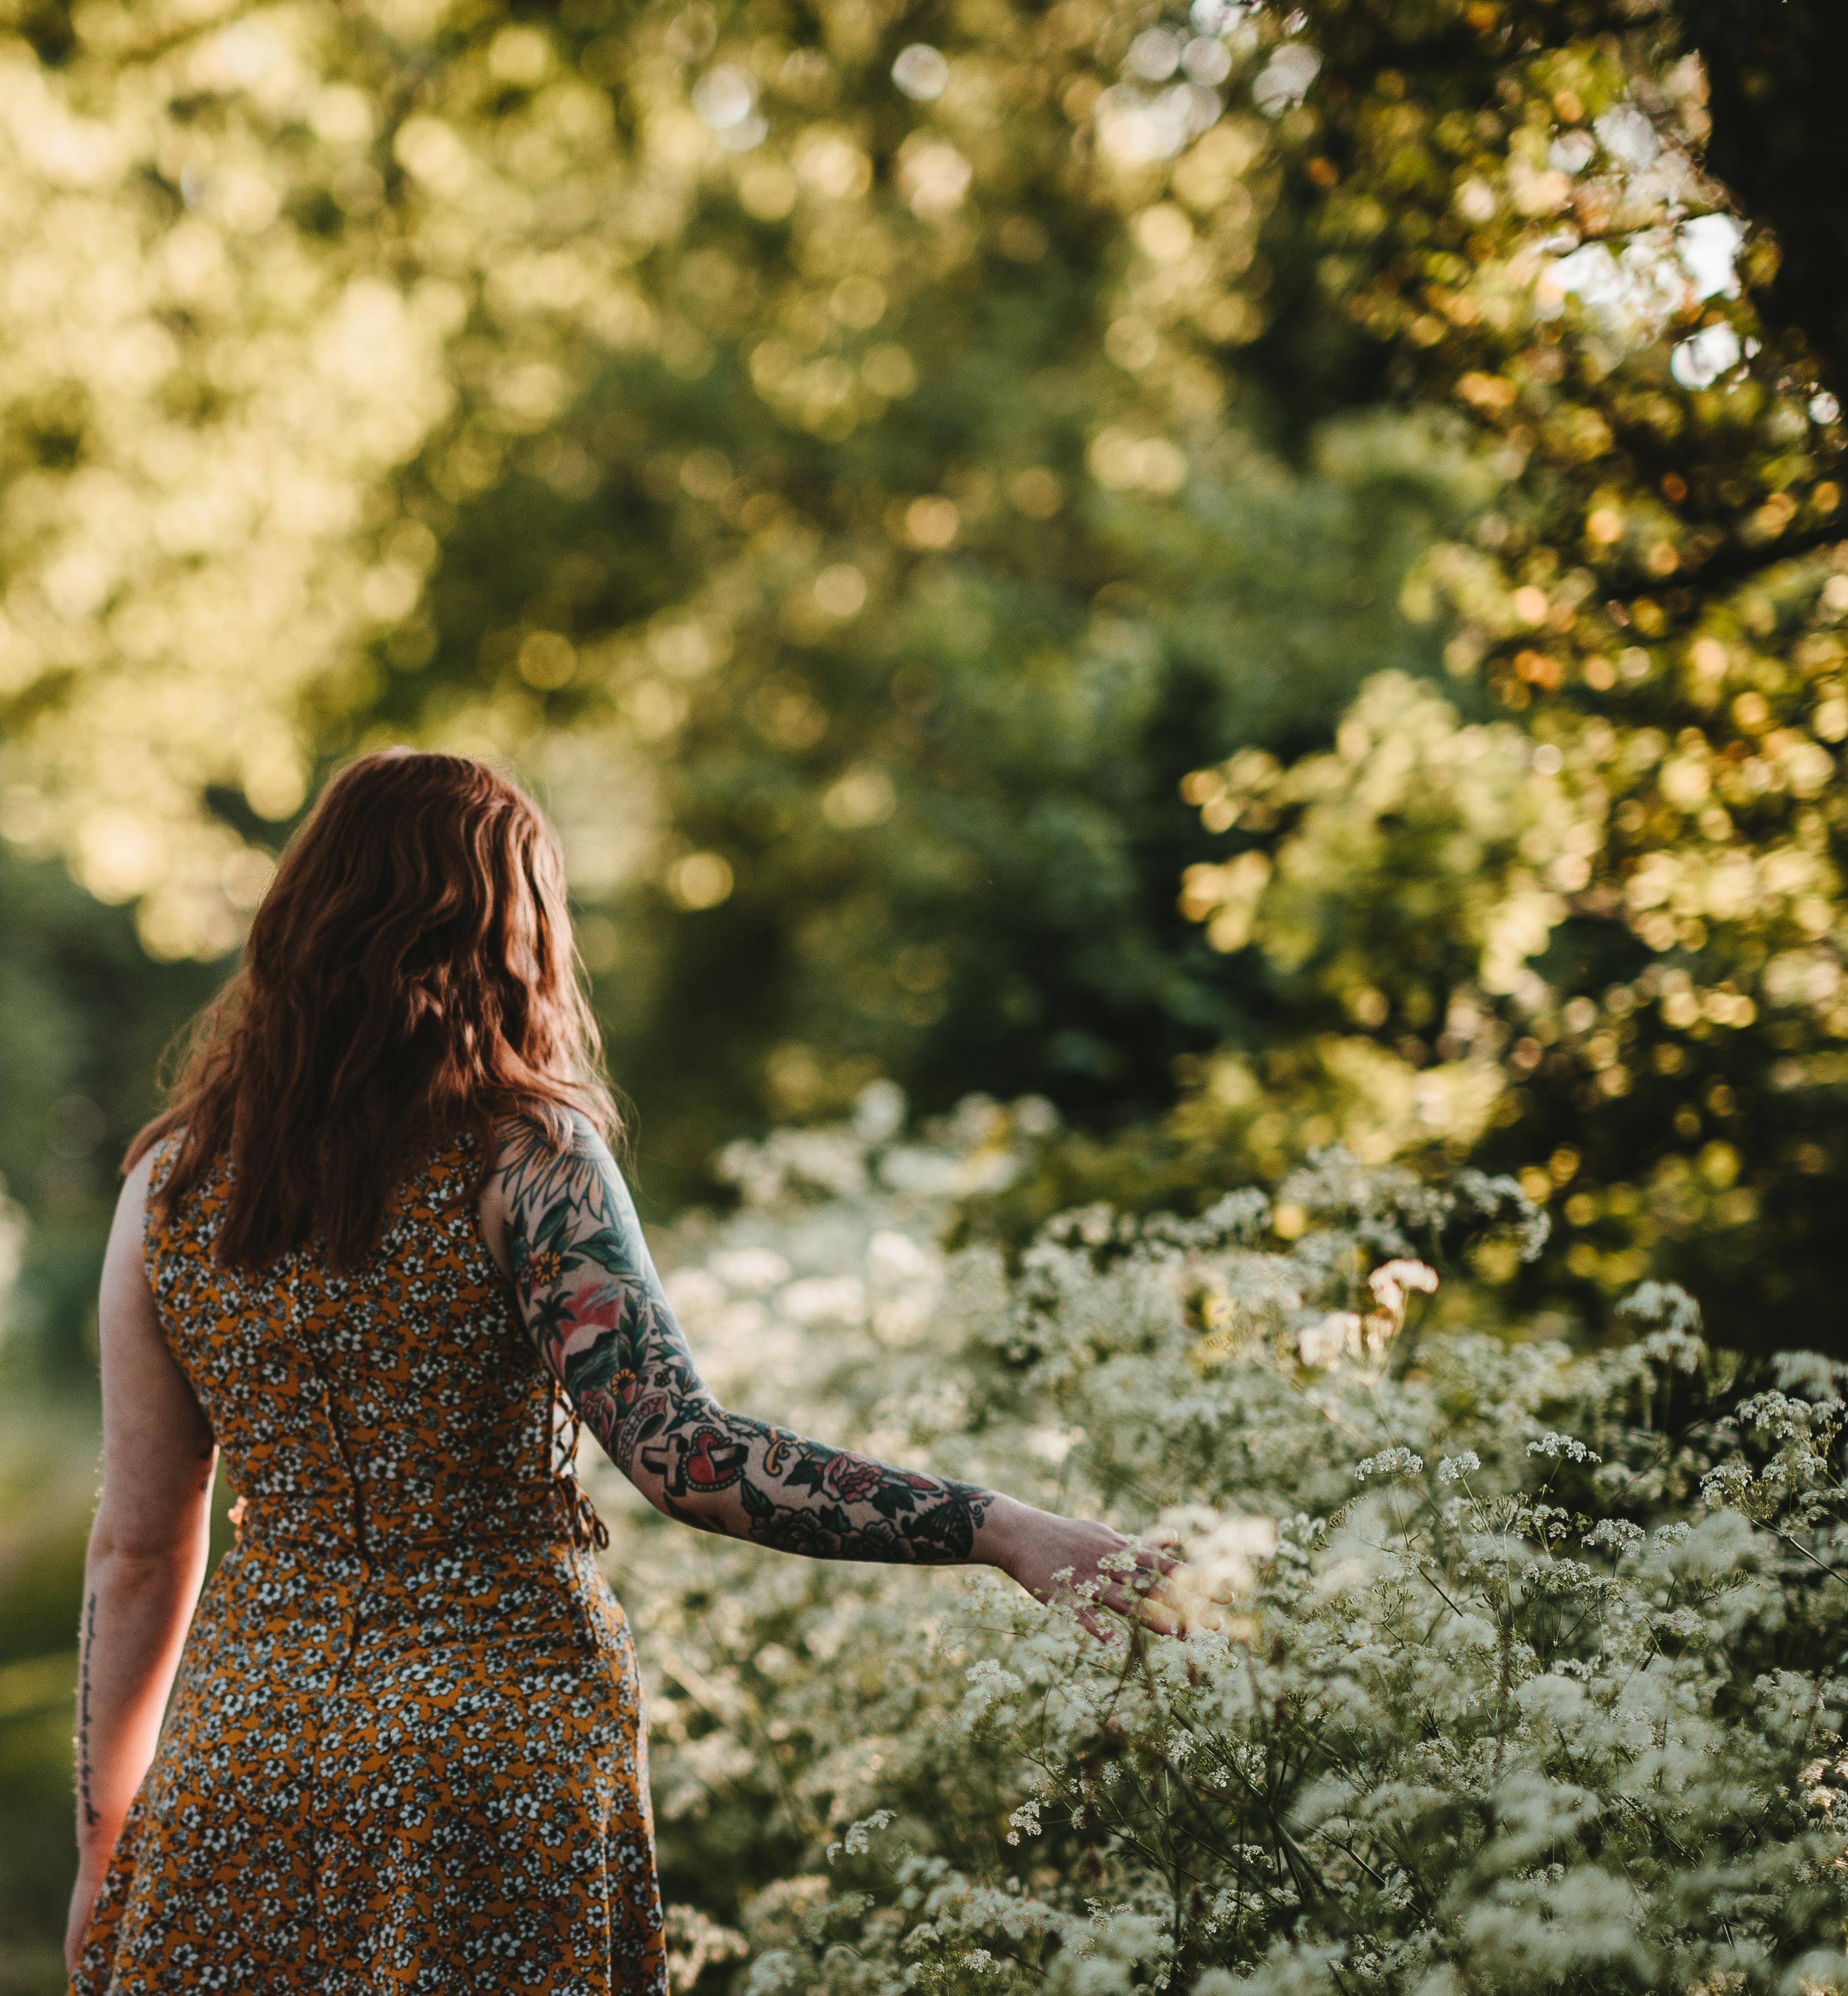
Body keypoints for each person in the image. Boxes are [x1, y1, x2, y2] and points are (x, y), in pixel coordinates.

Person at [65, 748, 1177, 1994]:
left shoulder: (171, 1184)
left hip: (247, 1753)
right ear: (509, 933)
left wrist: (108, 1837)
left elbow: (140, 1545)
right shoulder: (527, 1156)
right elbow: (686, 1460)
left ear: (300, 926)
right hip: (491, 1753)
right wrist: (1002, 1527)